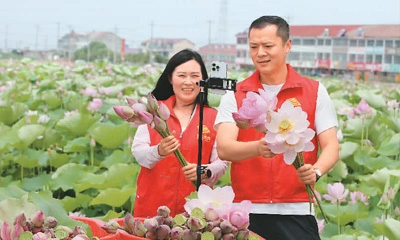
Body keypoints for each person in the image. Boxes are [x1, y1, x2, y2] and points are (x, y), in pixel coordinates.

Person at [215, 16, 339, 239]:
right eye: (254, 47)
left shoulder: (315, 90)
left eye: (268, 46)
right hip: (246, 211)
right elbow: (224, 148)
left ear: (287, 46)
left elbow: (332, 146)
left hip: (297, 209)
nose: (260, 53)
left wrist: (317, 171)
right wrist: (258, 147)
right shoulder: (235, 95)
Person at [131, 49, 228, 218]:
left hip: (195, 214)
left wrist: (205, 171)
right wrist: (158, 151)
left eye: (195, 76)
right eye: (182, 76)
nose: (188, 82)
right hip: (151, 210)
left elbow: (221, 161)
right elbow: (138, 153)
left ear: (203, 81)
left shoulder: (214, 117)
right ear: (170, 78)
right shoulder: (153, 112)